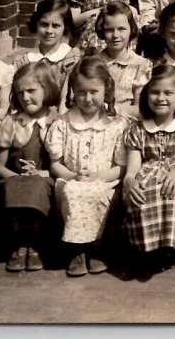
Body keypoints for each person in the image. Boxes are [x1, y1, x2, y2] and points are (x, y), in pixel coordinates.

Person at [45, 57, 129, 277]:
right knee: (72, 192)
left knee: (102, 193)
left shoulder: (117, 124)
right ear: (73, 91)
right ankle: (77, 249)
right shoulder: (64, 123)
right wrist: (72, 175)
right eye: (81, 92)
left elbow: (122, 166)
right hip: (72, 179)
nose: (88, 98)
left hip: (105, 180)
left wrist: (100, 176)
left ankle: (96, 246)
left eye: (94, 91)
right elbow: (55, 163)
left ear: (106, 91)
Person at [122, 66, 175, 272]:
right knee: (144, 195)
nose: (160, 98)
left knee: (172, 196)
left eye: (168, 93)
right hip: (146, 175)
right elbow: (132, 170)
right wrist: (130, 182)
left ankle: (172, 247)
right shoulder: (138, 129)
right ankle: (146, 248)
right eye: (155, 92)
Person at [0, 63, 60, 272]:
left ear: (47, 89)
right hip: (14, 177)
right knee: (16, 187)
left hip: (45, 177)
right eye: (20, 92)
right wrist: (17, 176)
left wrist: (42, 173)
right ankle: (19, 245)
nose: (25, 97)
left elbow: (62, 164)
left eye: (31, 91)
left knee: (37, 187)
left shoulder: (55, 121)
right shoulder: (11, 122)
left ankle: (35, 246)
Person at [69, 1, 151, 119]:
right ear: (102, 31)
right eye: (109, 30)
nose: (115, 35)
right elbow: (79, 103)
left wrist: (112, 109)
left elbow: (141, 110)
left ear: (131, 29)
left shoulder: (142, 65)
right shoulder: (92, 65)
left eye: (121, 29)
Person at [11, 0, 80, 88]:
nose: (49, 31)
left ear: (65, 28)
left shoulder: (71, 61)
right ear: (36, 24)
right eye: (44, 24)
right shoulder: (24, 61)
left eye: (55, 26)